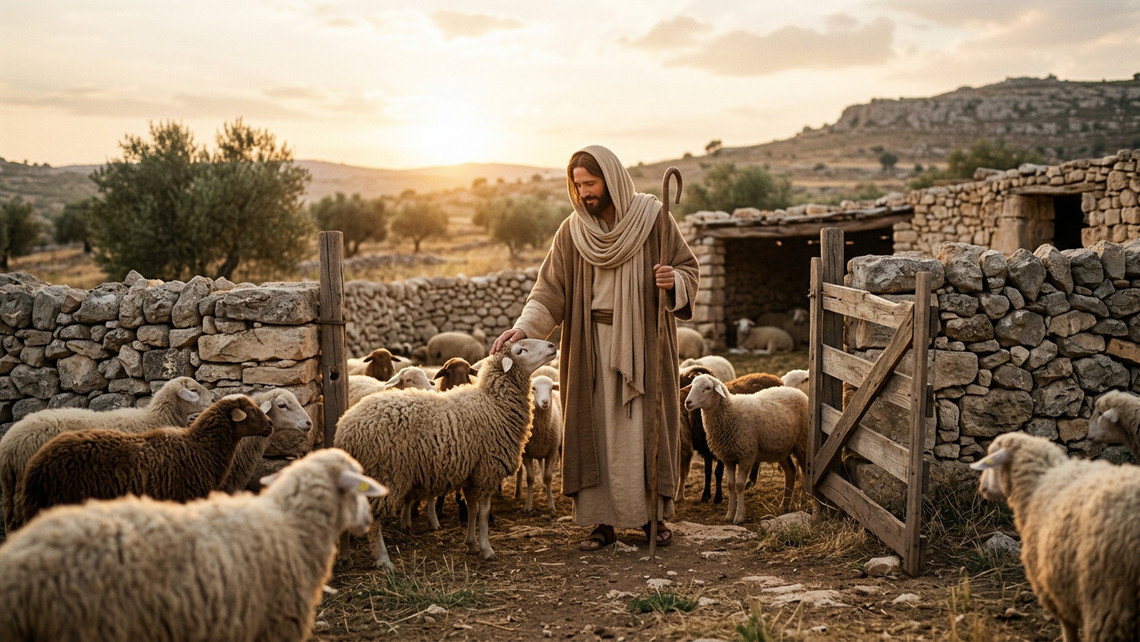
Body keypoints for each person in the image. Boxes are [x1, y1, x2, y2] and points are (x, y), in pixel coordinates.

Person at [491, 145, 699, 551]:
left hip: (644, 342)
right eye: (578, 185)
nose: (584, 192)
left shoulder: (654, 219)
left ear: (612, 179)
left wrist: (674, 280)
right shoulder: (572, 232)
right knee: (595, 433)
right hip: (591, 346)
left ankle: (651, 518)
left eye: (590, 183)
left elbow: (688, 269)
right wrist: (523, 329)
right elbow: (549, 293)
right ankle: (602, 522)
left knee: (643, 431)